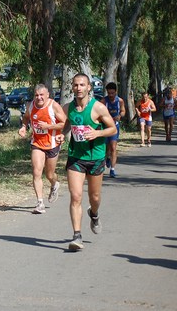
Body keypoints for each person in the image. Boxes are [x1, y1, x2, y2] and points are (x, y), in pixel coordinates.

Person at [56, 73, 117, 252]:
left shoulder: (98, 108)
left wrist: (97, 133)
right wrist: (62, 134)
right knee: (75, 196)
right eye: (76, 85)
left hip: (96, 157)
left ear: (89, 87)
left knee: (94, 198)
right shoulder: (68, 107)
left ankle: (94, 213)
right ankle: (77, 235)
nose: (79, 88)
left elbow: (112, 127)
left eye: (82, 85)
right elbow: (68, 124)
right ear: (72, 87)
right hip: (76, 157)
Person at [18, 84, 66, 214]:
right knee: (36, 172)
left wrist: (48, 126)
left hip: (52, 143)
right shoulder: (31, 106)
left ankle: (54, 184)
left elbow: (65, 123)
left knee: (49, 174)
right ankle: (40, 203)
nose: (39, 98)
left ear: (47, 95)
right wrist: (23, 126)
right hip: (37, 143)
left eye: (41, 95)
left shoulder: (53, 106)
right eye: (36, 95)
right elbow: (26, 117)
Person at [100, 82, 125, 178]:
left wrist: (120, 116)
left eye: (112, 93)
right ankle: (107, 159)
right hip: (105, 128)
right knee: (107, 149)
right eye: (109, 93)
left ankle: (112, 170)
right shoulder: (103, 101)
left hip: (115, 127)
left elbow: (123, 111)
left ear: (116, 92)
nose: (110, 95)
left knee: (113, 147)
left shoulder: (120, 101)